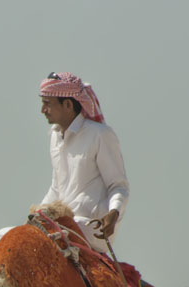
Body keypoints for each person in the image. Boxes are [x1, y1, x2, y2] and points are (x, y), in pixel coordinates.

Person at [37, 71, 129, 254]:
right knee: (3, 236)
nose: (42, 110)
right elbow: (57, 188)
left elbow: (118, 186)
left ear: (68, 104)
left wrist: (114, 213)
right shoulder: (55, 137)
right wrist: (37, 215)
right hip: (61, 224)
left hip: (89, 226)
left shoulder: (100, 135)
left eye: (47, 104)